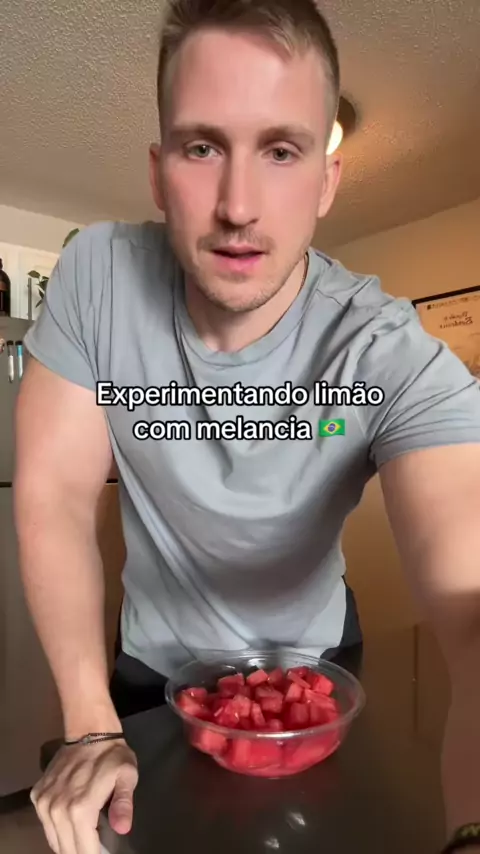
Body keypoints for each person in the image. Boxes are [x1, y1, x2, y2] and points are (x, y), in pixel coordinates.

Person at [13, 0, 480, 852]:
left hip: (316, 663)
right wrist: (87, 721)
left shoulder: (385, 349)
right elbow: (54, 492)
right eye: (202, 147)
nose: (238, 206)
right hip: (151, 667)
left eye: (281, 150)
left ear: (326, 181)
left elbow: (471, 599)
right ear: (159, 173)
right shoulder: (96, 276)